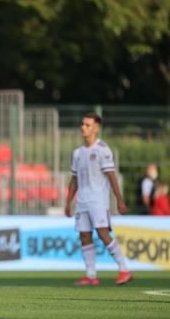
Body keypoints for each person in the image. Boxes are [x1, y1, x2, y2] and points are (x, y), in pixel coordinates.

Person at [64, 113, 132, 286]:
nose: (83, 127)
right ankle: (91, 275)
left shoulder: (103, 150)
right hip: (82, 202)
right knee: (84, 236)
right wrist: (68, 201)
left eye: (87, 125)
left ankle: (124, 269)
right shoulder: (77, 153)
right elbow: (74, 180)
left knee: (103, 233)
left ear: (96, 128)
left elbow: (111, 176)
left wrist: (119, 199)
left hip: (98, 201)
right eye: (82, 124)